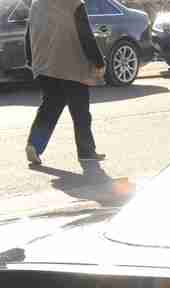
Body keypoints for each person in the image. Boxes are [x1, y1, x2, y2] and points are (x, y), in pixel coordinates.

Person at [25, 0, 108, 167]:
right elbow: (85, 35)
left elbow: (28, 33)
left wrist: (30, 59)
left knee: (50, 106)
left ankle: (34, 144)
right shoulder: (74, 4)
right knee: (80, 111)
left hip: (44, 65)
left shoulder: (37, 3)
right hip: (71, 65)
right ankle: (86, 151)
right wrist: (99, 62)